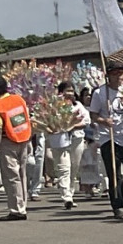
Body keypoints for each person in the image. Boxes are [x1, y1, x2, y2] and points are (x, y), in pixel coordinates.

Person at [87, 61, 123, 220]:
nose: (118, 76)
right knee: (114, 173)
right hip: (108, 138)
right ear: (108, 75)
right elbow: (93, 115)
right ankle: (117, 206)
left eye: (121, 73)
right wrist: (104, 121)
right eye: (115, 73)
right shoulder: (100, 93)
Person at [0, 76, 34, 220]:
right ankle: (22, 206)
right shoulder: (18, 99)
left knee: (11, 177)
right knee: (22, 174)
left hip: (8, 142)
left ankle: (16, 210)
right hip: (24, 139)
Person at [44, 80, 89, 209]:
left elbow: (86, 121)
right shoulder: (54, 107)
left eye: (71, 90)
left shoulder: (78, 106)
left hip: (76, 139)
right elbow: (47, 122)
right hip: (60, 141)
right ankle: (66, 197)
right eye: (66, 90)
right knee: (64, 168)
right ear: (60, 92)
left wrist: (72, 126)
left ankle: (70, 193)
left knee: (74, 168)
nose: (69, 93)